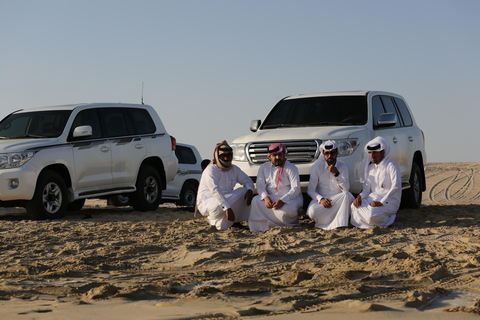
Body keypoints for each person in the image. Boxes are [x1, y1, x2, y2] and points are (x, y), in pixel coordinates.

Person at [196, 141, 254, 230]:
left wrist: (250, 190)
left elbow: (248, 181)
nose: (226, 158)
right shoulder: (211, 169)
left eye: (229, 156)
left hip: (228, 199)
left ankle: (233, 221)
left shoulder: (234, 169)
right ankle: (210, 219)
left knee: (246, 190)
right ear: (218, 156)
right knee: (217, 208)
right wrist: (227, 208)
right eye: (223, 156)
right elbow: (215, 190)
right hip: (209, 201)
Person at [249, 143, 303, 232]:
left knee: (287, 211)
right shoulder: (263, 167)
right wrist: (266, 198)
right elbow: (260, 185)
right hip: (271, 197)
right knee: (255, 201)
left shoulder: (291, 167)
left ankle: (279, 225)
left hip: (290, 199)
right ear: (269, 157)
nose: (278, 157)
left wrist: (282, 200)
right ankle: (260, 227)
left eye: (280, 155)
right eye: (274, 155)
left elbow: (296, 189)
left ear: (283, 155)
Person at [351, 136, 401, 228]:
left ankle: (389, 219)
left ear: (382, 153)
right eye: (370, 152)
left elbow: (396, 187)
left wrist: (381, 202)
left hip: (390, 201)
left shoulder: (392, 166)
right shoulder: (370, 168)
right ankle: (375, 221)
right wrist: (359, 197)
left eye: (375, 152)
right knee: (354, 207)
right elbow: (366, 190)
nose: (372, 155)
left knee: (371, 215)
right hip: (372, 199)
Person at [306, 140, 354, 230]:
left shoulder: (343, 167)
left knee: (346, 195)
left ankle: (341, 225)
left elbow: (346, 189)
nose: (329, 156)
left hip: (338, 201)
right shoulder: (317, 168)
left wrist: (336, 174)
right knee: (312, 212)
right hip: (322, 202)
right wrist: (321, 199)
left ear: (337, 152)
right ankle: (333, 222)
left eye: (332, 153)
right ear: (323, 154)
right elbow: (310, 190)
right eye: (327, 153)